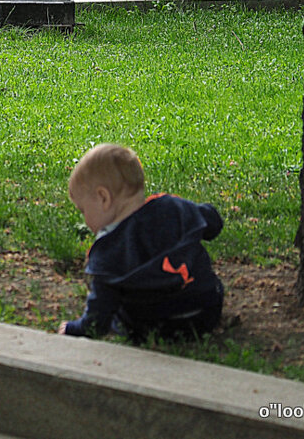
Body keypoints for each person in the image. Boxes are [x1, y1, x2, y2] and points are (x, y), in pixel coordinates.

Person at [58, 143, 224, 342]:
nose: (84, 218)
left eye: (83, 210)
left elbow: (97, 321)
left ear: (103, 198)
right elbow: (212, 221)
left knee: (120, 313)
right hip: (205, 311)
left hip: (151, 324)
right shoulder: (173, 207)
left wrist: (74, 329)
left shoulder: (108, 250)